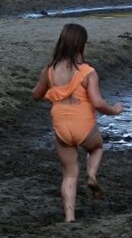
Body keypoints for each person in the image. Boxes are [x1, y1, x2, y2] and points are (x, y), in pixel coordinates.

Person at [32, 24, 123, 223]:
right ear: (81, 45)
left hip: (62, 128)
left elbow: (35, 95)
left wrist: (50, 92)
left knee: (69, 174)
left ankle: (69, 217)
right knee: (97, 148)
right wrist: (115, 110)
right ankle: (91, 174)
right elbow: (98, 103)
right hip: (84, 126)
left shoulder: (49, 71)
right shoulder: (87, 72)